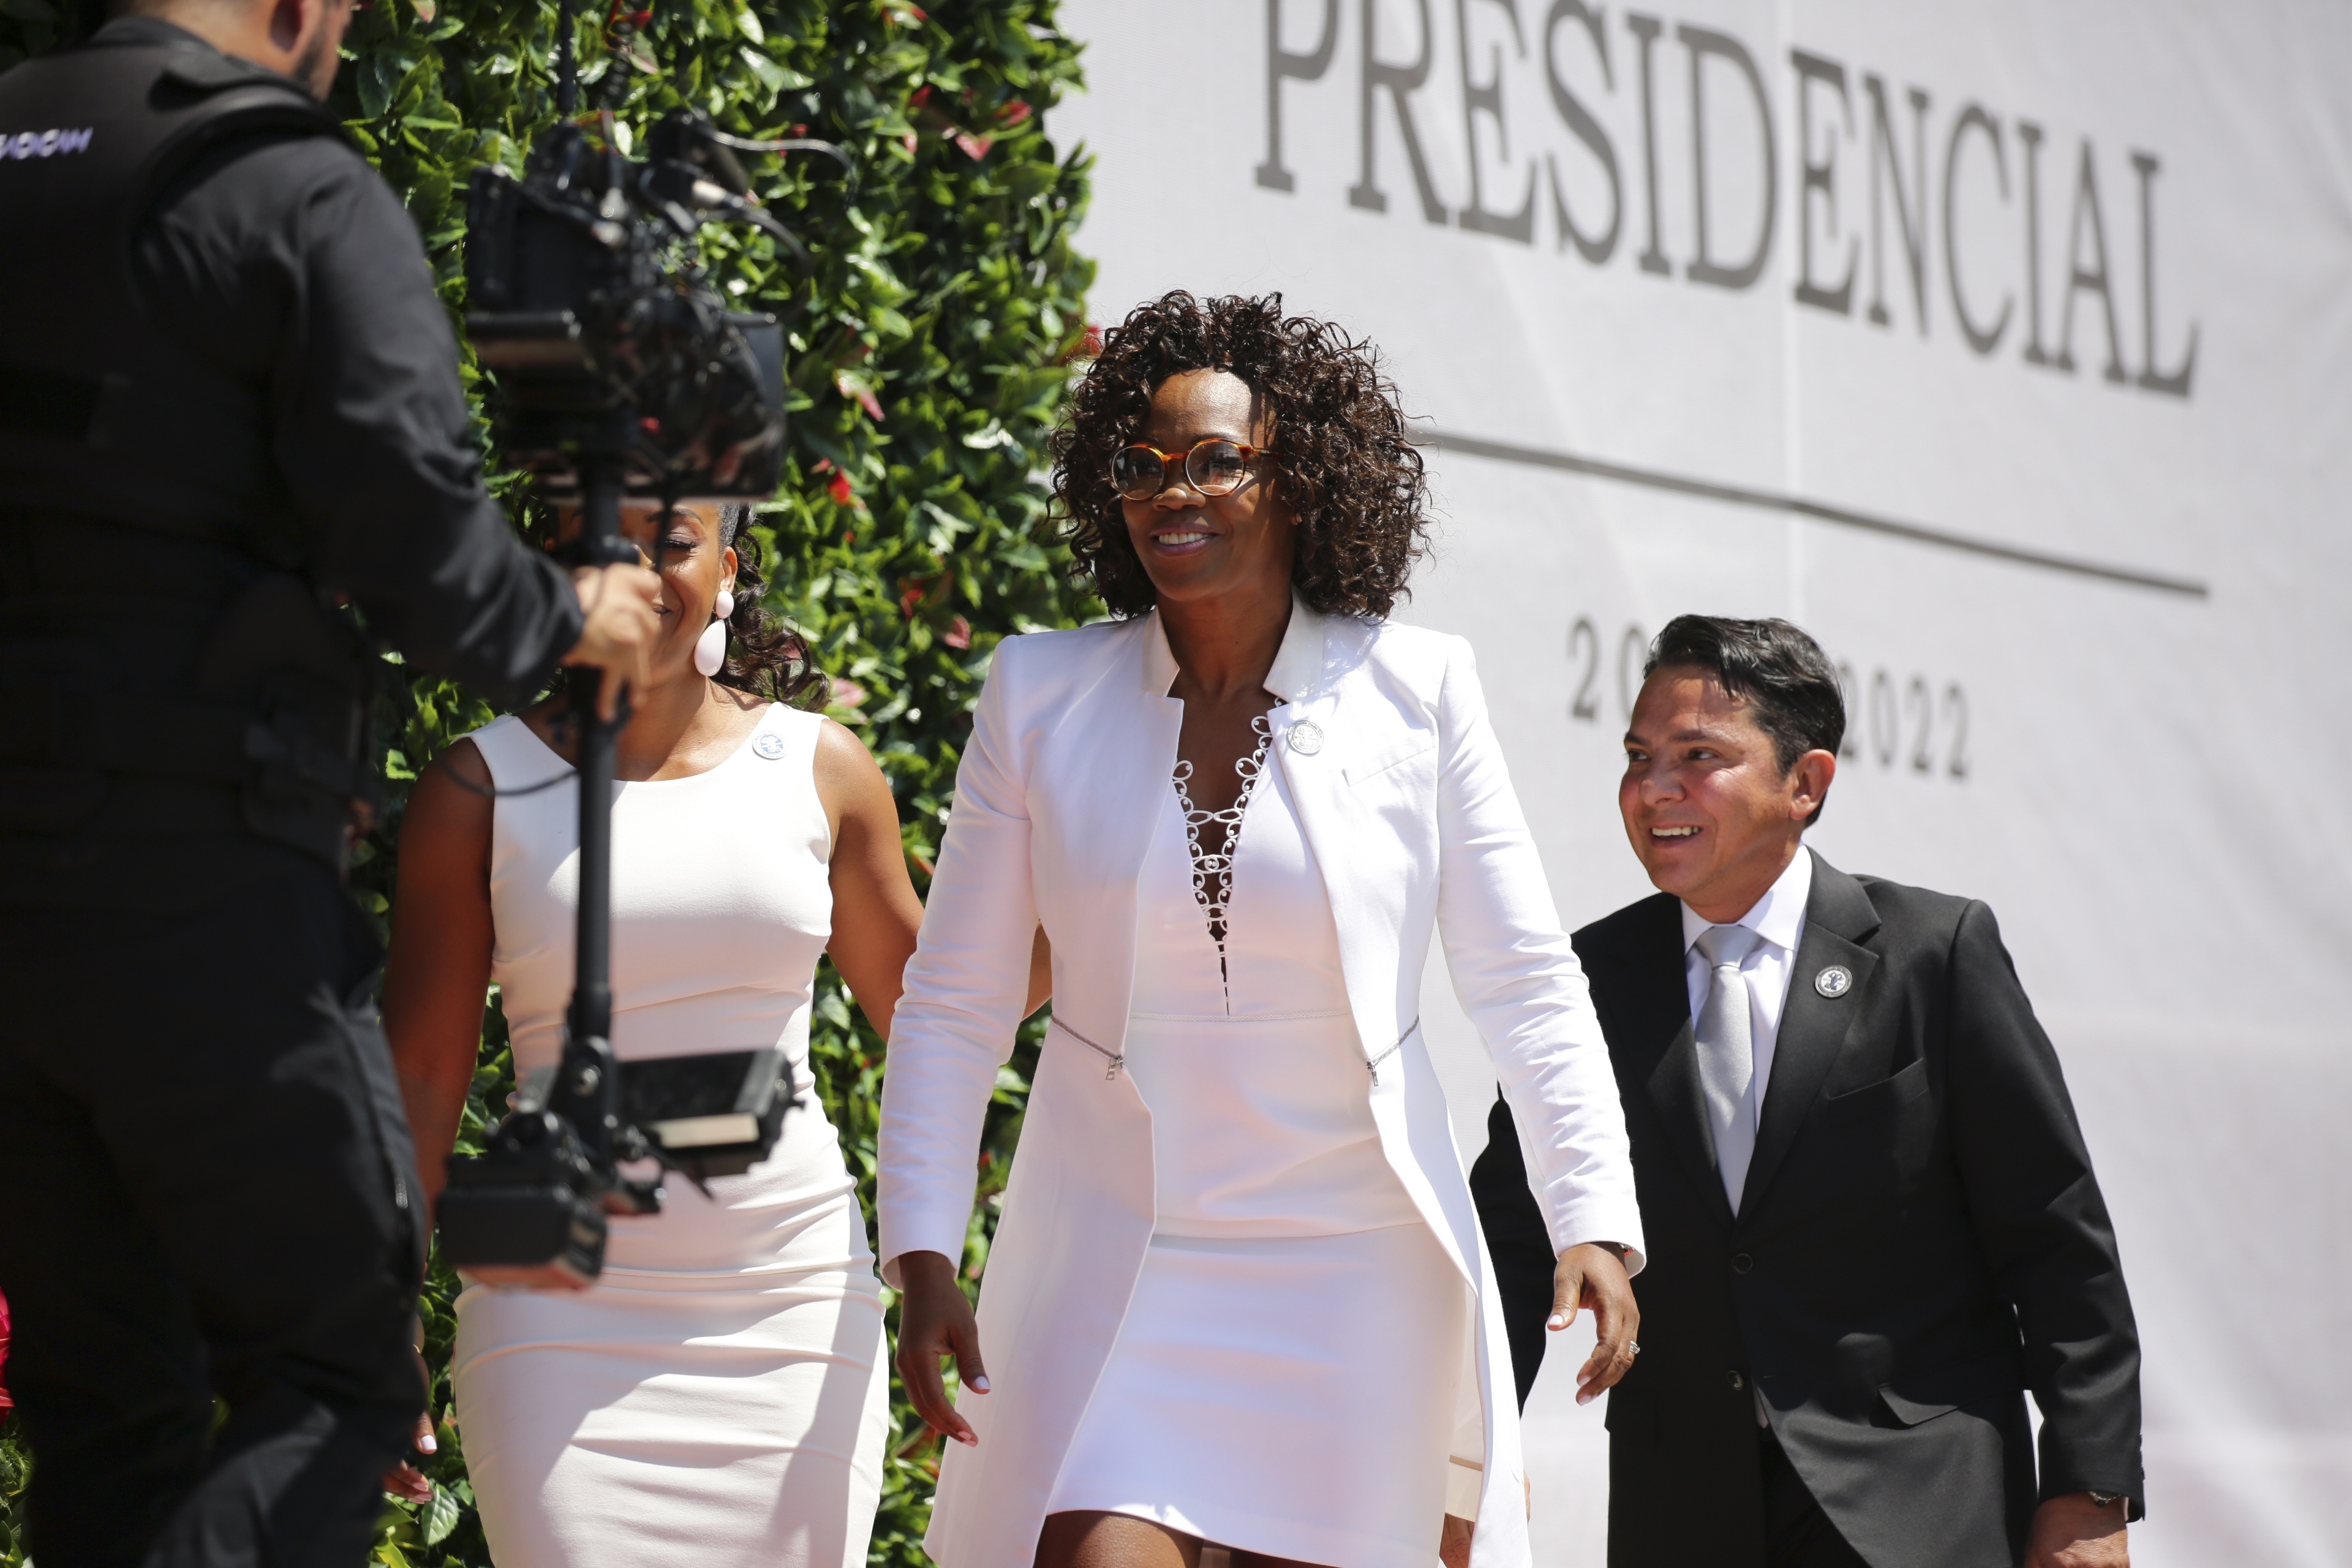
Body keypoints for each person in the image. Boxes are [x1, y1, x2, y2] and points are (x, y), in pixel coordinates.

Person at [0, 0, 663, 1561]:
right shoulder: (287, 184)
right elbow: (432, 561)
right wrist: (579, 614)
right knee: (337, 1379)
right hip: (195, 890)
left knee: (109, 1411)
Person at [876, 291, 1646, 1568]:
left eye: (1215, 460)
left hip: (1355, 1272)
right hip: (1125, 1269)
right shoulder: (1040, 693)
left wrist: (1594, 1216)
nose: (1172, 490)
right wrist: (921, 1251)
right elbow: (953, 999)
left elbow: (1522, 978)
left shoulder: (1417, 689)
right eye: (1142, 465)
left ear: (1301, 482)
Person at [1471, 616, 2143, 1568]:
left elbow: (2055, 1238)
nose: (1654, 788)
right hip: (1685, 1515)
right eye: (1638, 756)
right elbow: (1507, 1238)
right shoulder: (1588, 981)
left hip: (1916, 1507)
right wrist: (1466, 1460)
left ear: (1806, 783)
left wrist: (2088, 1491)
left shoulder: (1933, 957)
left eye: (1698, 755)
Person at [382, 501, 977, 1568]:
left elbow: (933, 1013)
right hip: (554, 1328)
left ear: (725, 567)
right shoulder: (477, 787)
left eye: (669, 539)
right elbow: (421, 1077)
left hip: (790, 1322)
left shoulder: (822, 768)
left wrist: (1106, 894)